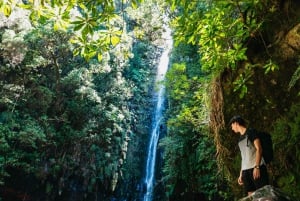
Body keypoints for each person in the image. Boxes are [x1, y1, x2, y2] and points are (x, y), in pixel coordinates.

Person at [229, 115, 269, 196]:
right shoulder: (240, 139)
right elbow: (243, 158)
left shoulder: (251, 132)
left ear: (236, 123)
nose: (232, 128)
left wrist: (257, 167)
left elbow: (259, 149)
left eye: (232, 126)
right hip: (246, 171)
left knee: (264, 195)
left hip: (257, 168)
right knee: (251, 196)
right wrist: (241, 174)